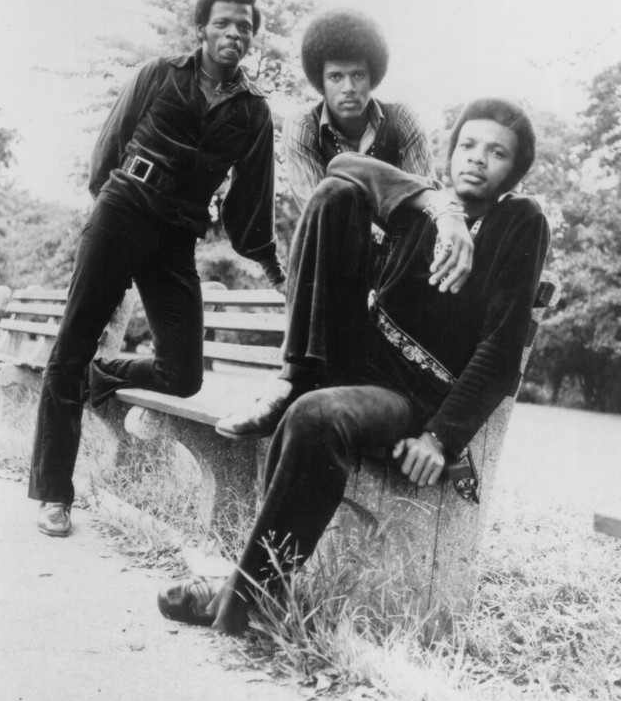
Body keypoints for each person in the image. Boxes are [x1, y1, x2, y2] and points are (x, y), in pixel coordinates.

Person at [157, 98, 550, 635]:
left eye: (497, 153)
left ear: (515, 170)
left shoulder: (520, 221)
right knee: (336, 193)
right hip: (354, 356)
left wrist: (440, 438)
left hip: (409, 395)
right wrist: (444, 211)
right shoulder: (422, 202)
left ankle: (244, 595)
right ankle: (295, 375)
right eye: (468, 145)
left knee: (315, 417)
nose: (478, 158)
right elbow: (342, 165)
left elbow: (502, 351)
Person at [30, 0, 285, 538]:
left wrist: (274, 268)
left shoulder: (254, 113)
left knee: (183, 373)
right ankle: (54, 494)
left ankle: (100, 375)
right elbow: (107, 151)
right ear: (202, 28)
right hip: (123, 211)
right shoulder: (159, 74)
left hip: (176, 237)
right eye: (224, 23)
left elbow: (250, 207)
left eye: (244, 27)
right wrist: (107, 221)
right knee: (71, 347)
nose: (234, 34)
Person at [283, 9, 436, 213]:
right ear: (321, 82)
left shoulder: (401, 118)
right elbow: (317, 213)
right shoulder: (303, 126)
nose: (348, 88)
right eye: (336, 77)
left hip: (403, 234)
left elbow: (428, 201)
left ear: (372, 77)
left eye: (358, 75)